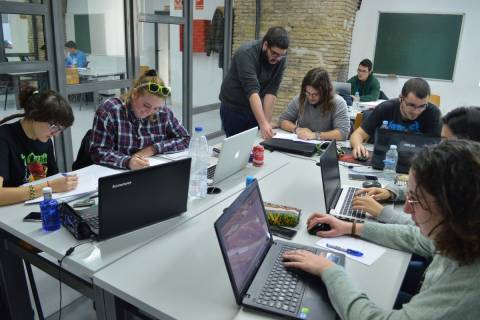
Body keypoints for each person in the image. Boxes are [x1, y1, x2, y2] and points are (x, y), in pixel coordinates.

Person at [284, 139, 480, 319]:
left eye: (416, 200)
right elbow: (415, 237)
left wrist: (330, 271)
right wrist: (350, 227)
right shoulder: (462, 231)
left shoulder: (468, 286)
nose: (406, 208)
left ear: (452, 209)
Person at [353, 106, 480, 224]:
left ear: (470, 145)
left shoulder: (471, 191)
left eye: (446, 141)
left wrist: (360, 225)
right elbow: (433, 190)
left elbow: (429, 238)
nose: (440, 146)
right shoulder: (463, 172)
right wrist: (392, 192)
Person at [89, 69, 190, 170]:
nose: (150, 112)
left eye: (156, 108)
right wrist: (127, 161)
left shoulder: (163, 112)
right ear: (134, 94)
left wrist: (153, 149)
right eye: (146, 105)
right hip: (118, 173)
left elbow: (185, 139)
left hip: (151, 170)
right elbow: (98, 151)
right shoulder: (110, 111)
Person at [0, 86, 78, 206]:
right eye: (54, 126)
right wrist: (48, 187)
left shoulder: (45, 141)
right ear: (35, 116)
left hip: (36, 206)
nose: (55, 134)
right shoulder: (4, 138)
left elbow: (52, 178)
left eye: (60, 129)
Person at [219, 26, 289, 139]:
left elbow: (272, 91)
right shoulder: (246, 54)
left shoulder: (280, 58)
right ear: (265, 45)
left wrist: (266, 122)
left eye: (282, 55)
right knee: (237, 147)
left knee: (255, 144)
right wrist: (262, 124)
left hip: (255, 108)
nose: (278, 59)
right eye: (275, 54)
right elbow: (252, 91)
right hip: (233, 108)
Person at [350, 77, 441, 159]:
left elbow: (437, 150)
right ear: (401, 98)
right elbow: (357, 135)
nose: (416, 111)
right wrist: (358, 145)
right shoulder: (386, 108)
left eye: (422, 106)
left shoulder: (432, 113)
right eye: (412, 105)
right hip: (386, 159)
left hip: (416, 163)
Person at [278, 67, 350, 141]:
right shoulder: (301, 98)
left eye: (316, 94)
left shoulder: (338, 102)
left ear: (326, 92)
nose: (310, 97)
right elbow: (283, 120)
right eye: (308, 93)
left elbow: (343, 133)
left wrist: (315, 135)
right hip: (303, 142)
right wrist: (297, 129)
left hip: (325, 147)